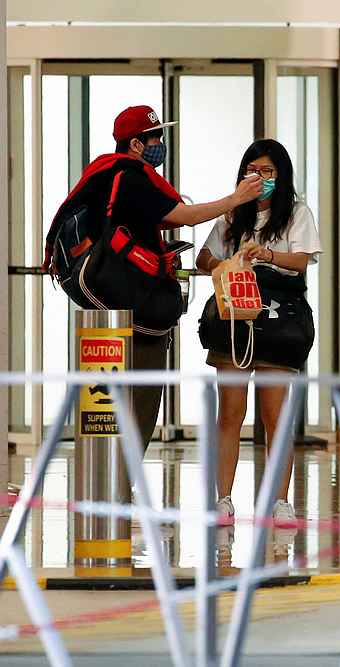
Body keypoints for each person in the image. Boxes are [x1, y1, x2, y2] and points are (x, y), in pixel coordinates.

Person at [44, 105, 262, 453]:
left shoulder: (104, 173)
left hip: (102, 303)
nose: (160, 142)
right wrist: (235, 199)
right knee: (141, 401)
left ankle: (104, 483)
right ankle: (123, 482)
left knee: (102, 406)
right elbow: (184, 216)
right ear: (135, 144)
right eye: (154, 136)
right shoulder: (133, 176)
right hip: (136, 306)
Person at [196, 139, 322, 525]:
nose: (260, 179)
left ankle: (280, 500)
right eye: (253, 172)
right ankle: (224, 499)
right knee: (230, 411)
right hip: (233, 317)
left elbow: (301, 262)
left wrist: (265, 255)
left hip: (280, 321)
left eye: (268, 172)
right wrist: (229, 263)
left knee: (276, 414)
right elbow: (203, 258)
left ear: (281, 176)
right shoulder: (232, 215)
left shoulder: (297, 214)